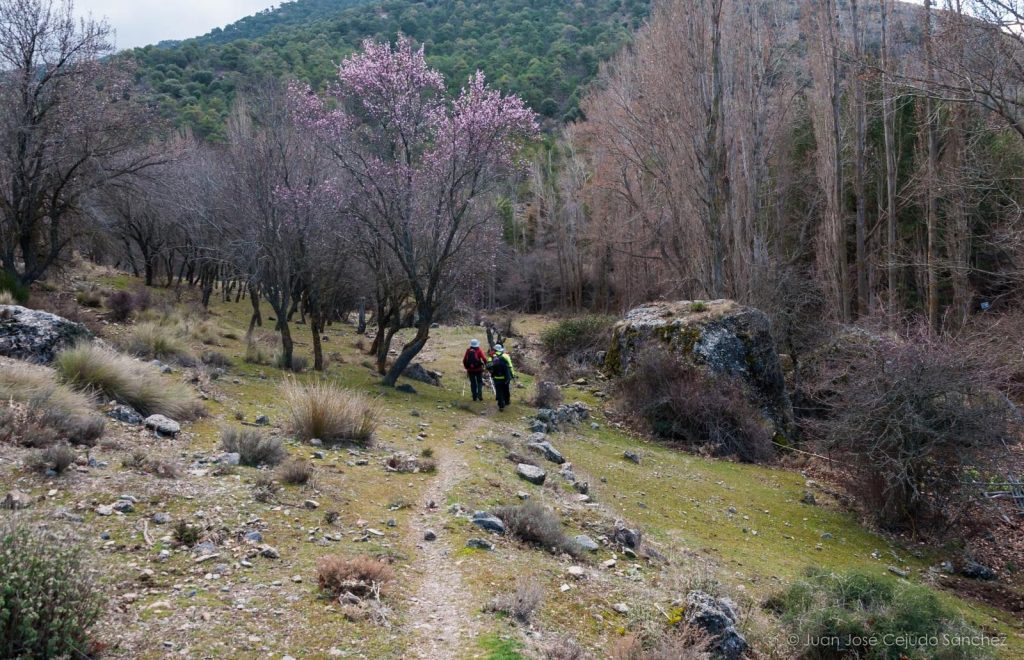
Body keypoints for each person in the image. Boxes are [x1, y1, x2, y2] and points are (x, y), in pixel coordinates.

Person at [487, 343, 516, 411]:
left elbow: (488, 366)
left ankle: (501, 405)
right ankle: (507, 401)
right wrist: (512, 375)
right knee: (506, 389)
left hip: (496, 378)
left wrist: (492, 373)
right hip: (505, 377)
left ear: (495, 349)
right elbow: (510, 366)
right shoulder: (505, 356)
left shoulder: (491, 356)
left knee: (499, 391)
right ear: (500, 350)